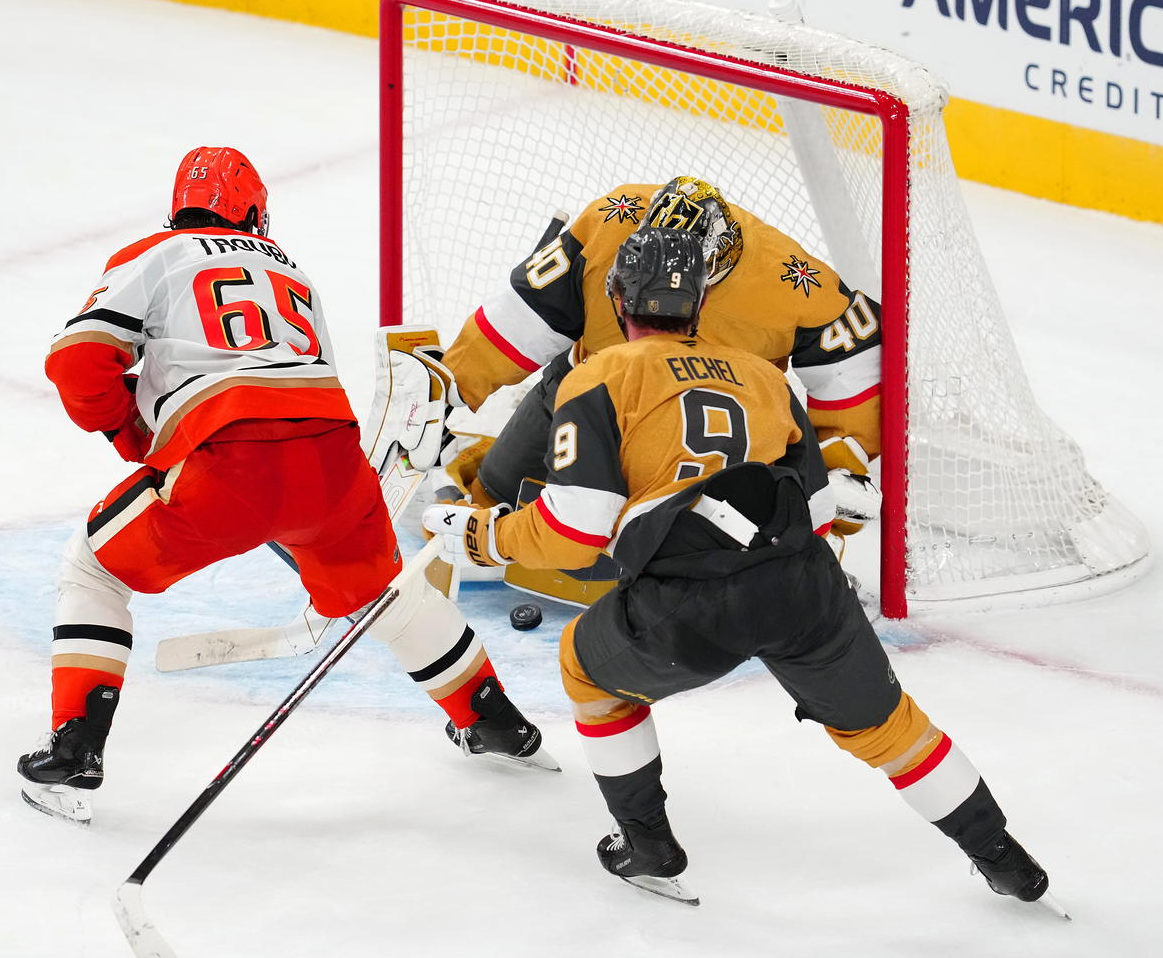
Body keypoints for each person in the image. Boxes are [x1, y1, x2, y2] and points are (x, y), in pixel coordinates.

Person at [422, 227, 1053, 910]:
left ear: (616, 298)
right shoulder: (763, 375)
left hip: (691, 603)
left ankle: (648, 844)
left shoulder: (598, 376)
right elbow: (818, 511)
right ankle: (1005, 859)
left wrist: (484, 535)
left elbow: (573, 535)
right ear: (700, 301)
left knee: (583, 663)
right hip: (804, 583)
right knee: (889, 726)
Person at [17, 146, 554, 824]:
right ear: (254, 214)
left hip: (227, 467)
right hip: (334, 467)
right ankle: (492, 719)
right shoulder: (292, 271)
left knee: (93, 569)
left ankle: (75, 747)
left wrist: (131, 433)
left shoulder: (156, 253)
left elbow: (77, 361)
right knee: (384, 593)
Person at [434, 176, 883, 550]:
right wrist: (446, 387)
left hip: (714, 439)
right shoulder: (611, 222)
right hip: (589, 400)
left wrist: (839, 464)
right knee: (493, 495)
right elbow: (527, 315)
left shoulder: (796, 284)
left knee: (689, 550)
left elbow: (851, 370)